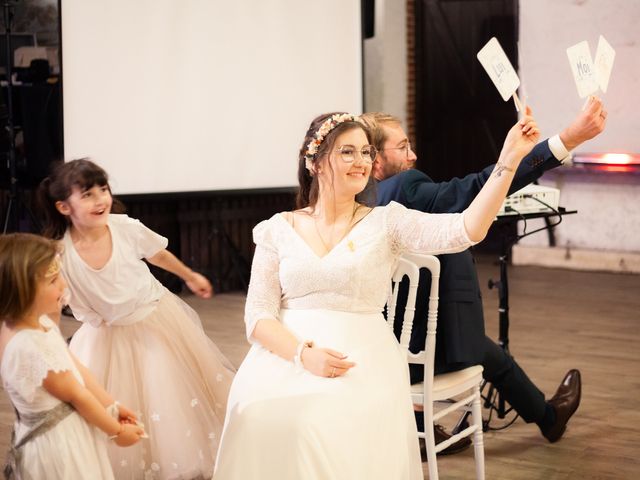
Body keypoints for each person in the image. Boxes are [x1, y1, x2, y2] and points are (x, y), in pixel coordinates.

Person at [214, 110, 540, 479]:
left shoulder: (387, 222)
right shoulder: (277, 229)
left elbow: (467, 229)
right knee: (253, 412)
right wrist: (303, 355)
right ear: (314, 162)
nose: (362, 162)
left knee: (311, 424)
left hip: (360, 360)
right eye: (347, 152)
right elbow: (257, 316)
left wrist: (508, 163)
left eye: (367, 152)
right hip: (283, 357)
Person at [361, 96, 607, 446]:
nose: (413, 155)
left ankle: (423, 428)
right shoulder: (404, 188)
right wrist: (565, 140)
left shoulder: (355, 202)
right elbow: (477, 186)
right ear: (375, 162)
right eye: (402, 148)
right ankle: (550, 419)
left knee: (493, 356)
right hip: (434, 348)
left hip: (383, 350)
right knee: (493, 357)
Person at [37, 159, 235, 479]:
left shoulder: (125, 227)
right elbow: (52, 301)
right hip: (104, 335)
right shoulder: (60, 253)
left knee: (169, 390)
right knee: (111, 398)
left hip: (153, 320)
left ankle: (177, 457)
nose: (101, 199)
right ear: (63, 206)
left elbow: (157, 254)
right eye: (87, 194)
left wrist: (189, 275)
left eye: (103, 189)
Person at [0, 233, 145, 479]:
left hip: (62, 430)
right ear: (22, 290)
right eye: (53, 280)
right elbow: (77, 395)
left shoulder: (37, 323)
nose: (63, 286)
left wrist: (112, 405)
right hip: (58, 444)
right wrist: (116, 432)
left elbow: (75, 366)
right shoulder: (30, 346)